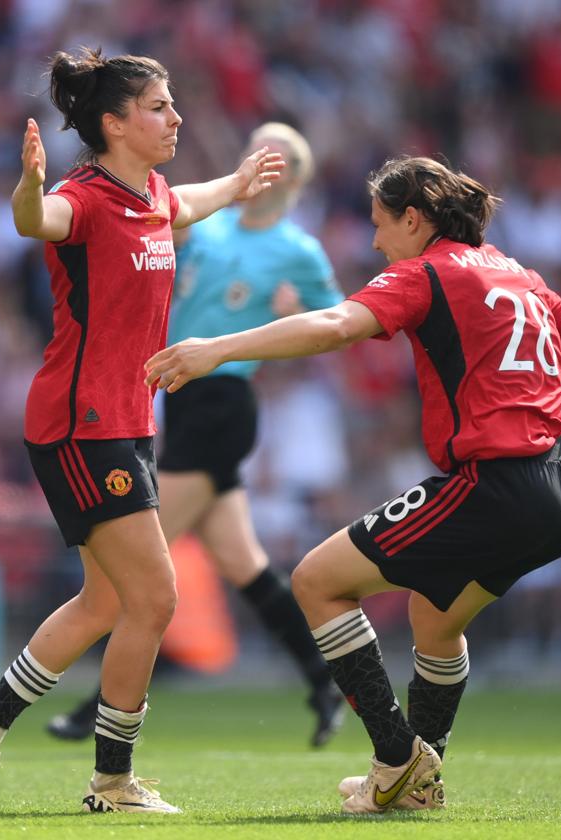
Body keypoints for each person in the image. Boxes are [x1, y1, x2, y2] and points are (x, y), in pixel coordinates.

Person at [145, 155, 561, 814]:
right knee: (434, 617)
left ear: (413, 217)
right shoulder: (522, 276)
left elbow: (335, 326)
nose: (374, 242)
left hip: (497, 483)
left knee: (316, 580)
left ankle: (397, 761)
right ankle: (415, 781)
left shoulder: (427, 273)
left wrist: (219, 348)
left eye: (380, 224)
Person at [0, 46, 283, 816]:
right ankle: (113, 782)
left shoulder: (153, 193)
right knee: (154, 599)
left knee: (102, 604)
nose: (175, 116)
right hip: (79, 424)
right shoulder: (82, 198)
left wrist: (238, 182)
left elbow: (184, 202)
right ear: (114, 123)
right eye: (159, 106)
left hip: (121, 424)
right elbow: (39, 221)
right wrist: (27, 191)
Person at [46, 122, 346, 749]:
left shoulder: (300, 252)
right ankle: (326, 680)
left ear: (295, 177)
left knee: (137, 567)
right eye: (255, 145)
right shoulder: (207, 225)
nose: (262, 159)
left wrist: (298, 314)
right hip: (175, 400)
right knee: (245, 564)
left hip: (223, 403)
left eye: (280, 154)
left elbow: (340, 320)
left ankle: (94, 709)